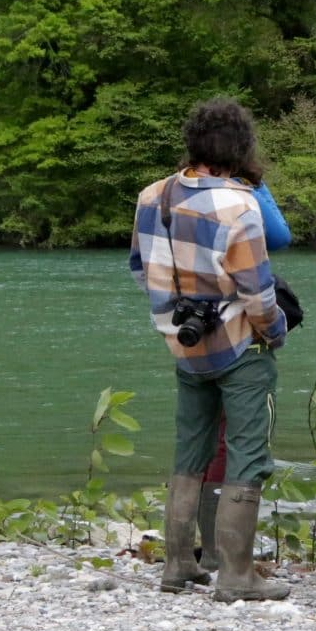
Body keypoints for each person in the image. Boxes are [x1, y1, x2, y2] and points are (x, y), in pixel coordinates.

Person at [130, 98, 291, 603]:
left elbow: (140, 268)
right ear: (241, 150)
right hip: (239, 346)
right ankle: (236, 573)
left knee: (190, 451)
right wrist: (277, 330)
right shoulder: (239, 206)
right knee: (248, 453)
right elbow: (258, 294)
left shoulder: (151, 196)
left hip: (182, 343)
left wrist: (173, 312)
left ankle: (178, 565)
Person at [184, 177, 297, 587]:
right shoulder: (240, 196)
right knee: (242, 441)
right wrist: (258, 183)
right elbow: (280, 236)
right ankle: (232, 565)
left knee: (203, 441)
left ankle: (199, 554)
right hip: (237, 325)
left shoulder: (167, 196)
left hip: (187, 327)